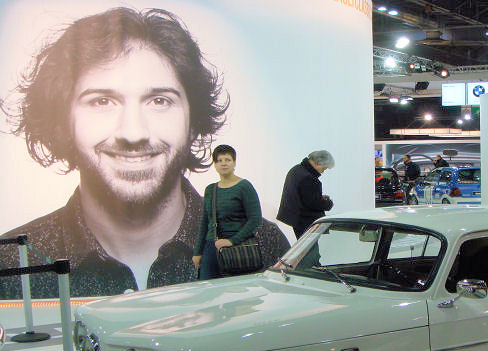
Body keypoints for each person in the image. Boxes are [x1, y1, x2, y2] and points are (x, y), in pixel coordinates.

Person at [0, 7, 288, 298]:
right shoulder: (11, 263)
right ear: (64, 124)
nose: (133, 132)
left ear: (193, 122)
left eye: (159, 101)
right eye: (102, 101)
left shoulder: (265, 245)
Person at [193, 145, 261, 279]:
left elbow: (255, 219)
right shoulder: (210, 189)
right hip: (212, 246)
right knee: (208, 287)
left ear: (234, 163)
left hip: (238, 247)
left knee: (235, 288)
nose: (223, 163)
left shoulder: (244, 186)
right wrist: (198, 252)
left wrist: (232, 241)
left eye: (227, 160)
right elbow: (205, 223)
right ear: (215, 165)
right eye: (219, 160)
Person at [277, 151, 335, 239]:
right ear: (318, 163)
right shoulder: (309, 178)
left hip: (296, 219)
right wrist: (328, 203)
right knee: (310, 246)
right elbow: (313, 203)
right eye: (324, 169)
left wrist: (318, 197)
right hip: (305, 221)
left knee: (304, 245)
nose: (322, 172)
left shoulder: (296, 170)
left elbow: (304, 195)